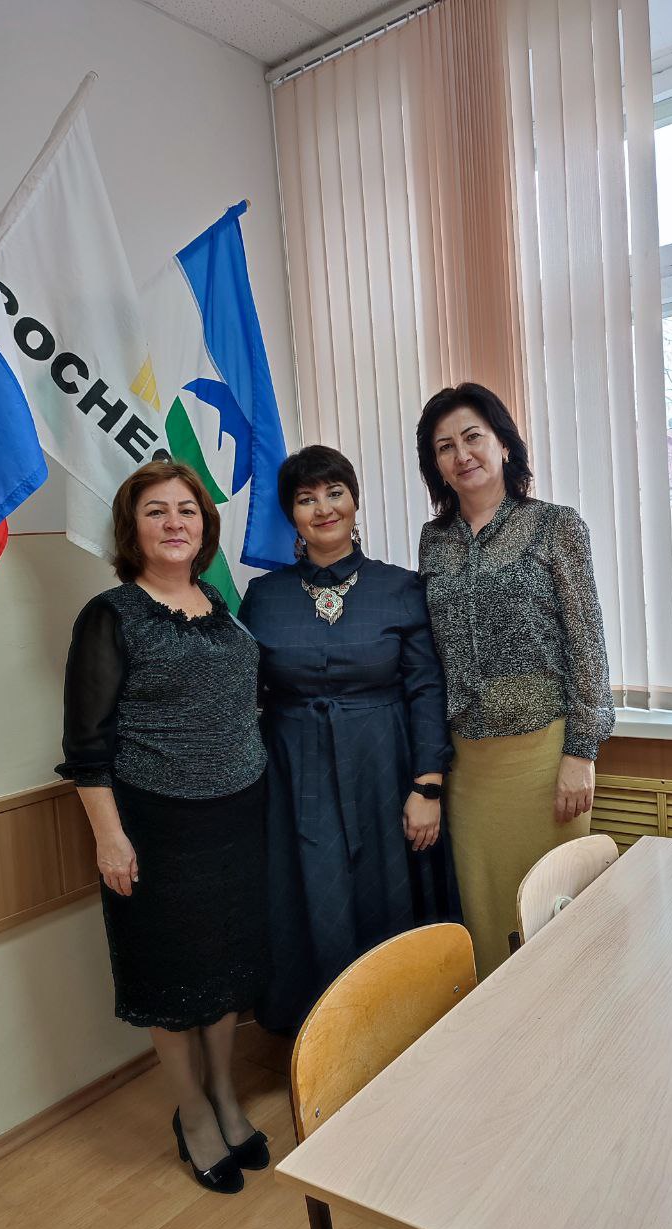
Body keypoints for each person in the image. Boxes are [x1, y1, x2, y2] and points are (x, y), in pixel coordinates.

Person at [57, 460, 269, 1196]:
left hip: (237, 819)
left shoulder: (219, 603)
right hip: (155, 827)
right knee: (172, 978)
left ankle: (225, 1094)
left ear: (205, 526)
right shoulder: (111, 615)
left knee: (223, 971)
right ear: (132, 528)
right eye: (156, 511)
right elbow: (86, 745)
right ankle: (193, 1112)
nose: (175, 522)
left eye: (188, 509)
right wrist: (109, 837)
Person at [238, 445, 459, 1033]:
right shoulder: (263, 596)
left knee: (388, 893)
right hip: (294, 775)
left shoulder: (400, 587)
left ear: (355, 502)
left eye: (334, 493)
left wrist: (428, 786)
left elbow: (426, 689)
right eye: (306, 499)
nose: (323, 508)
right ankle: (323, 1037)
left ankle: (397, 1027)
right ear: (291, 514)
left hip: (385, 766)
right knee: (312, 894)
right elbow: (244, 693)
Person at [416, 383, 615, 977]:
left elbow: (587, 642)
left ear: (503, 443)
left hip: (544, 759)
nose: (462, 454)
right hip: (469, 767)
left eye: (472, 437)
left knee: (554, 921)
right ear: (436, 466)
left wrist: (581, 753)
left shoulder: (556, 526)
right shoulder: (433, 542)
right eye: (445, 447)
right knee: (487, 921)